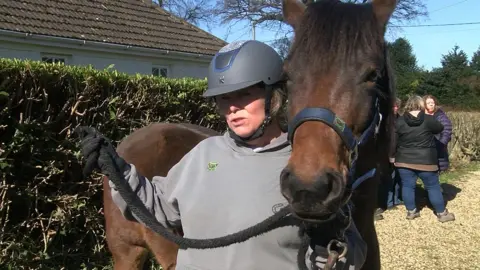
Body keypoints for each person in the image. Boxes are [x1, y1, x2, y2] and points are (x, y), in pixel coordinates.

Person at [75, 40, 367, 270]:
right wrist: (117, 170)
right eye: (224, 99)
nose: (232, 108)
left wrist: (331, 243)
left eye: (243, 95)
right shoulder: (205, 155)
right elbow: (159, 207)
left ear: (274, 95)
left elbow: (352, 254)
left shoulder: (303, 169)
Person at [393, 95, 455, 222]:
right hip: (426, 161)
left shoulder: (399, 121)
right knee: (433, 186)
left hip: (403, 160)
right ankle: (442, 214)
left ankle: (411, 212)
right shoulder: (428, 119)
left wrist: (392, 156)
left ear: (408, 105)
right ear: (421, 105)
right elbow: (440, 128)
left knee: (408, 186)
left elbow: (393, 141)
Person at [375, 97, 403, 221]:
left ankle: (393, 201)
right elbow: (389, 141)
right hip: (385, 155)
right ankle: (383, 203)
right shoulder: (385, 121)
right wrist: (390, 156)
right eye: (393, 106)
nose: (395, 108)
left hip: (398, 154)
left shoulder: (400, 119)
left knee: (396, 178)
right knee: (386, 180)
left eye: (397, 106)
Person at [423, 95, 453, 174]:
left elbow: (447, 132)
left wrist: (439, 145)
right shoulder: (420, 117)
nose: (431, 104)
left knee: (434, 176)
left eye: (432, 102)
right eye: (428, 103)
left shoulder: (441, 117)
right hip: (422, 151)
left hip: (437, 151)